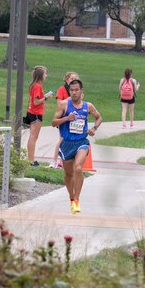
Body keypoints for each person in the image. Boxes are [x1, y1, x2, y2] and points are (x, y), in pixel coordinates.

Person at [51, 79, 102, 215]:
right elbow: (53, 122)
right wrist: (66, 119)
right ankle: (71, 198)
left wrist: (94, 128)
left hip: (81, 142)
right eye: (71, 90)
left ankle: (77, 200)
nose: (73, 93)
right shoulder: (64, 105)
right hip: (67, 143)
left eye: (76, 90)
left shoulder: (88, 106)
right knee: (68, 174)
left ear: (81, 91)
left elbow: (99, 117)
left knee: (78, 168)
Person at [49, 72, 80, 168]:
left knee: (70, 140)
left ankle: (63, 162)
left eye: (75, 78)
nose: (73, 80)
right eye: (71, 78)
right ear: (66, 80)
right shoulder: (62, 90)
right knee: (62, 139)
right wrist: (71, 97)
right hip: (63, 118)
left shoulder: (77, 90)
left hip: (74, 119)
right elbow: (59, 104)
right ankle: (54, 161)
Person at [25, 65, 53, 167]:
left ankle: (31, 159)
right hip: (35, 113)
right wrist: (45, 97)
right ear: (41, 75)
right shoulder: (37, 86)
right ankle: (31, 161)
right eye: (45, 73)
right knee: (33, 136)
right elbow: (36, 102)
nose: (46, 75)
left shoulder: (35, 85)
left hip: (32, 112)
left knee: (33, 136)